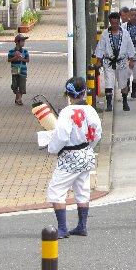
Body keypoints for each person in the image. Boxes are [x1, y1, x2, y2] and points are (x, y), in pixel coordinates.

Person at [46, 78, 102, 238]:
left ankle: (62, 228)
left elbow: (62, 136)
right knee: (82, 188)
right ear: (85, 92)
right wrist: (88, 147)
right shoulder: (91, 110)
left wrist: (52, 148)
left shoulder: (66, 112)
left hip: (70, 156)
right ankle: (82, 226)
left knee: (56, 190)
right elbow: (97, 134)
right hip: (86, 154)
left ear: (68, 94)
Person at [94, 12, 136, 112]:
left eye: (117, 23)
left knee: (123, 82)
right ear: (110, 22)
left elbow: (130, 46)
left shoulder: (125, 33)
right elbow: (100, 47)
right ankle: (109, 104)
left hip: (121, 62)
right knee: (109, 82)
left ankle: (125, 102)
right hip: (109, 61)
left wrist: (132, 59)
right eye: (113, 23)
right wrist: (99, 60)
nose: (115, 25)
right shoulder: (105, 33)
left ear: (119, 22)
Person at [7, 34, 29, 106]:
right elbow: (9, 60)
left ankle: (19, 99)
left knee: (22, 85)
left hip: (23, 70)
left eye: (24, 41)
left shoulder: (25, 51)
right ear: (17, 42)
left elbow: (27, 60)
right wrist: (15, 58)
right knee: (14, 85)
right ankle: (17, 98)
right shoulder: (11, 51)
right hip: (15, 69)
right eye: (22, 41)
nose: (23, 43)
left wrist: (21, 59)